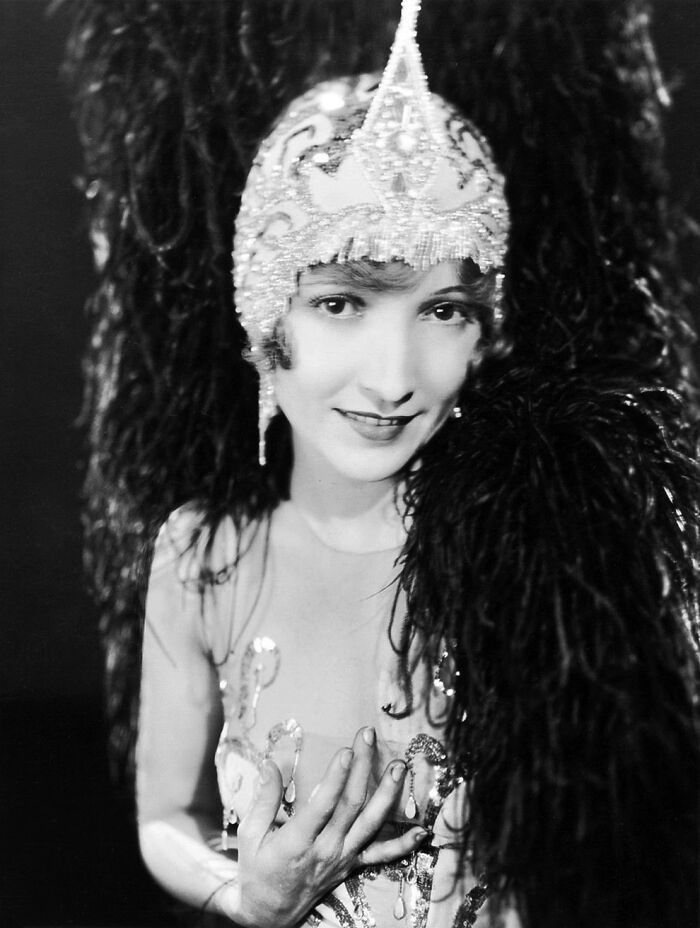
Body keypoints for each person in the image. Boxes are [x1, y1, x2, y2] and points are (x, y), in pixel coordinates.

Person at [65, 1, 700, 926]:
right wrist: (247, 892)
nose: (394, 378)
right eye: (341, 304)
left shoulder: (541, 561)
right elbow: (164, 816)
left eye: (443, 311)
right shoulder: (204, 560)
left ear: (484, 338)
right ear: (264, 321)